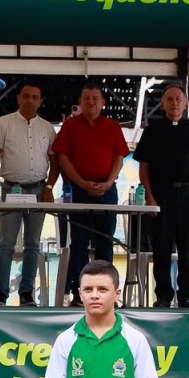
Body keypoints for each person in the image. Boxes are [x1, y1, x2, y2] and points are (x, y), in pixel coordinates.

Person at [133, 83, 189, 308]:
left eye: (179, 99)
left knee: (187, 248)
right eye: (170, 99)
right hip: (160, 194)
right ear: (163, 104)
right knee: (162, 247)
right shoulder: (152, 131)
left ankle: (186, 295)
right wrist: (149, 194)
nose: (174, 103)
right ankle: (163, 296)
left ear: (185, 104)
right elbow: (144, 166)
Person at [53, 82, 130, 305]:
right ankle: (79, 293)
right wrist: (81, 183)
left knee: (105, 243)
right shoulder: (71, 125)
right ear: (80, 102)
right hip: (78, 190)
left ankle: (106, 293)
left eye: (96, 98)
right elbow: (63, 158)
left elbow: (119, 157)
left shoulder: (113, 127)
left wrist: (108, 182)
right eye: (87, 98)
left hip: (107, 192)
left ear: (103, 102)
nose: (92, 102)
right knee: (79, 243)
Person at [0, 82, 59, 306]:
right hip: (10, 189)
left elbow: (55, 161)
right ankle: (1, 294)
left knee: (33, 244)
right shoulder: (4, 123)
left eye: (34, 97)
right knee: (6, 243)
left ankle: (27, 293)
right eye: (26, 96)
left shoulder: (48, 128)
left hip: (38, 190)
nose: (30, 100)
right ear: (18, 98)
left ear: (41, 101)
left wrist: (48, 187)